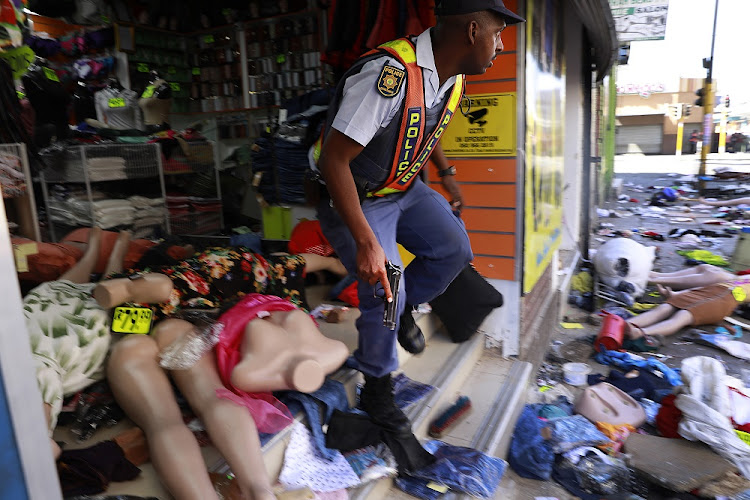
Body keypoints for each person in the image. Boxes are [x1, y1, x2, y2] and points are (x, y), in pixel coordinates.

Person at [314, 0, 524, 434]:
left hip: (405, 188)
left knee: (454, 249)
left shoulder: (454, 77)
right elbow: (335, 161)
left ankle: (405, 308)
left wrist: (446, 177)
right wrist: (368, 243)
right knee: (385, 284)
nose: (500, 45)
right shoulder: (387, 76)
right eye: (496, 33)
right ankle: (376, 386)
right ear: (471, 31)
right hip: (356, 195)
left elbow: (424, 123)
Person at [99, 275, 349, 500]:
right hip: (174, 329)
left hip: (130, 341)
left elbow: (153, 286)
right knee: (209, 398)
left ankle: (243, 491)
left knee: (164, 421)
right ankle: (258, 489)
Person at [625, 279, 750, 341]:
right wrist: (677, 294)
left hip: (727, 299)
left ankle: (641, 333)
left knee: (683, 316)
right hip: (712, 289)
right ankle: (629, 324)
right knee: (666, 307)